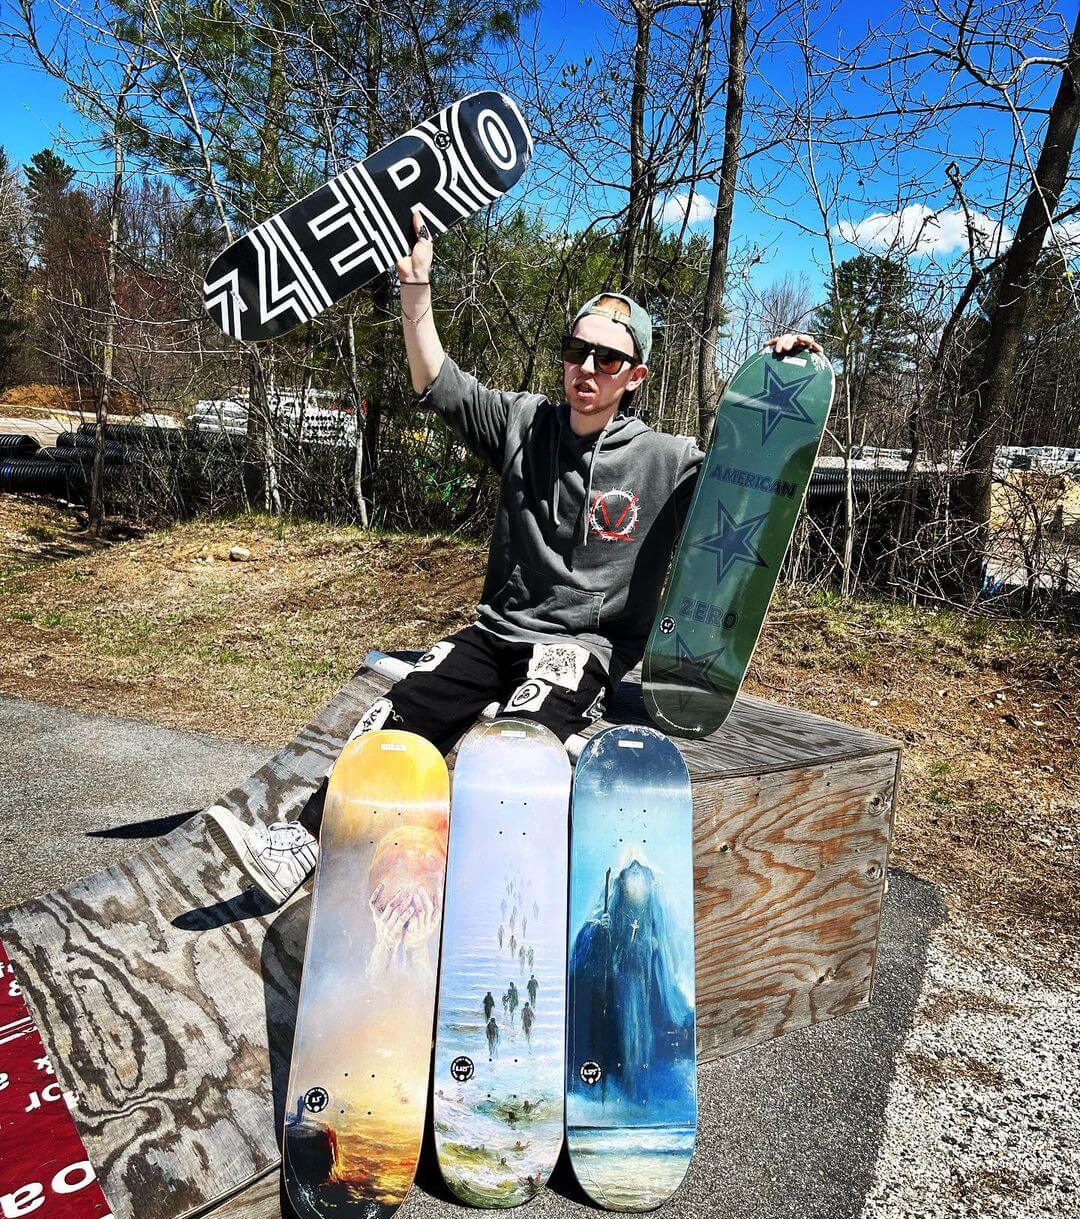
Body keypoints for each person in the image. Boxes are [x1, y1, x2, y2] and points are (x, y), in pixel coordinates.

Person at [207, 213, 821, 903]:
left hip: (581, 646)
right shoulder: (523, 422)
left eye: (607, 360)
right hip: (496, 632)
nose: (586, 368)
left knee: (506, 749)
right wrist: (417, 290)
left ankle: (484, 888)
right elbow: (436, 381)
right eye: (576, 350)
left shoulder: (666, 459)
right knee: (397, 713)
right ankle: (305, 841)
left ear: (636, 375)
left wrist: (781, 387)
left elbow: (748, 494)